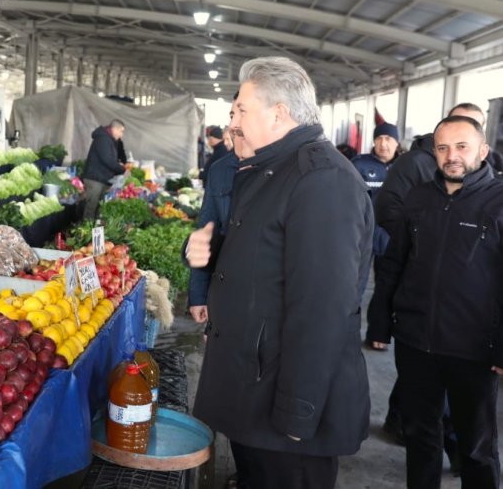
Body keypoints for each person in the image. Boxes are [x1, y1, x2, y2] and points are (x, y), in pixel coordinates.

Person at [187, 56, 372, 489]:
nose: (233, 122)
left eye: (242, 110)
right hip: (256, 390)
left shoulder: (321, 181)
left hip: (287, 417)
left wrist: (297, 412)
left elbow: (322, 310)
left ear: (279, 113)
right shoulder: (271, 170)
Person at [367, 115, 503, 489]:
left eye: (462, 147)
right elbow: (394, 263)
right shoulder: (420, 197)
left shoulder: (498, 202)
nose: (451, 156)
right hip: (416, 344)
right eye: (443, 148)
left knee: (476, 449)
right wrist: (379, 321)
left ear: (483, 151)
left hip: (473, 349)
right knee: (420, 439)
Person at [187, 93, 255, 489]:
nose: (234, 122)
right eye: (231, 113)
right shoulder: (221, 169)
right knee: (228, 395)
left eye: (242, 112)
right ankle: (243, 469)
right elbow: (205, 230)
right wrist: (198, 293)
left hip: (264, 308)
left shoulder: (287, 172)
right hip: (223, 300)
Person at [352, 122, 401, 257]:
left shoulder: (405, 166)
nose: (383, 144)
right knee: (359, 275)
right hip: (364, 231)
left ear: (397, 142)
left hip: (392, 233)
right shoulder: (359, 164)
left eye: (388, 139)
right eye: (379, 138)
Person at [81, 120, 126, 220]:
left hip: (101, 179)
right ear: (114, 129)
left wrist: (118, 164)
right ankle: (86, 232)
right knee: (91, 208)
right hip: (95, 179)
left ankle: (94, 232)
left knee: (97, 209)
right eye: (121, 131)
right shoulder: (103, 139)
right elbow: (107, 160)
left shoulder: (109, 139)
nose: (121, 135)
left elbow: (109, 158)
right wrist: (122, 169)